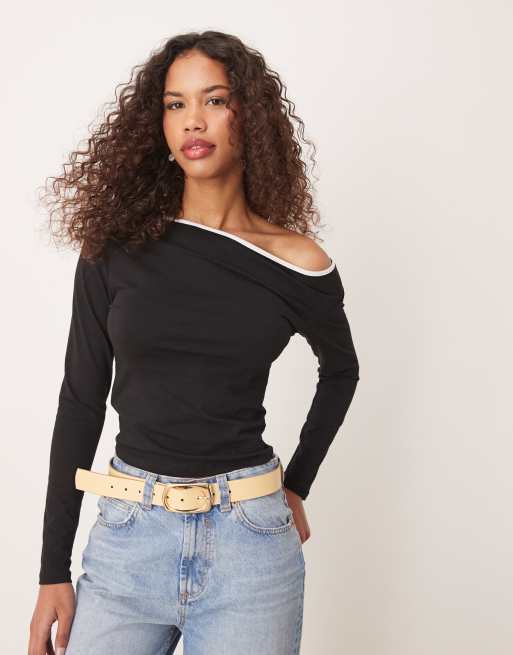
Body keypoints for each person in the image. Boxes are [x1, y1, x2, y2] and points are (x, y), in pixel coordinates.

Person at [28, 30, 360, 655]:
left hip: (251, 548)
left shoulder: (295, 262)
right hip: (128, 540)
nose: (193, 121)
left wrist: (296, 485)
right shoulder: (115, 248)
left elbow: (341, 372)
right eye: (175, 104)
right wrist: (52, 570)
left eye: (214, 99)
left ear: (248, 115)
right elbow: (79, 401)